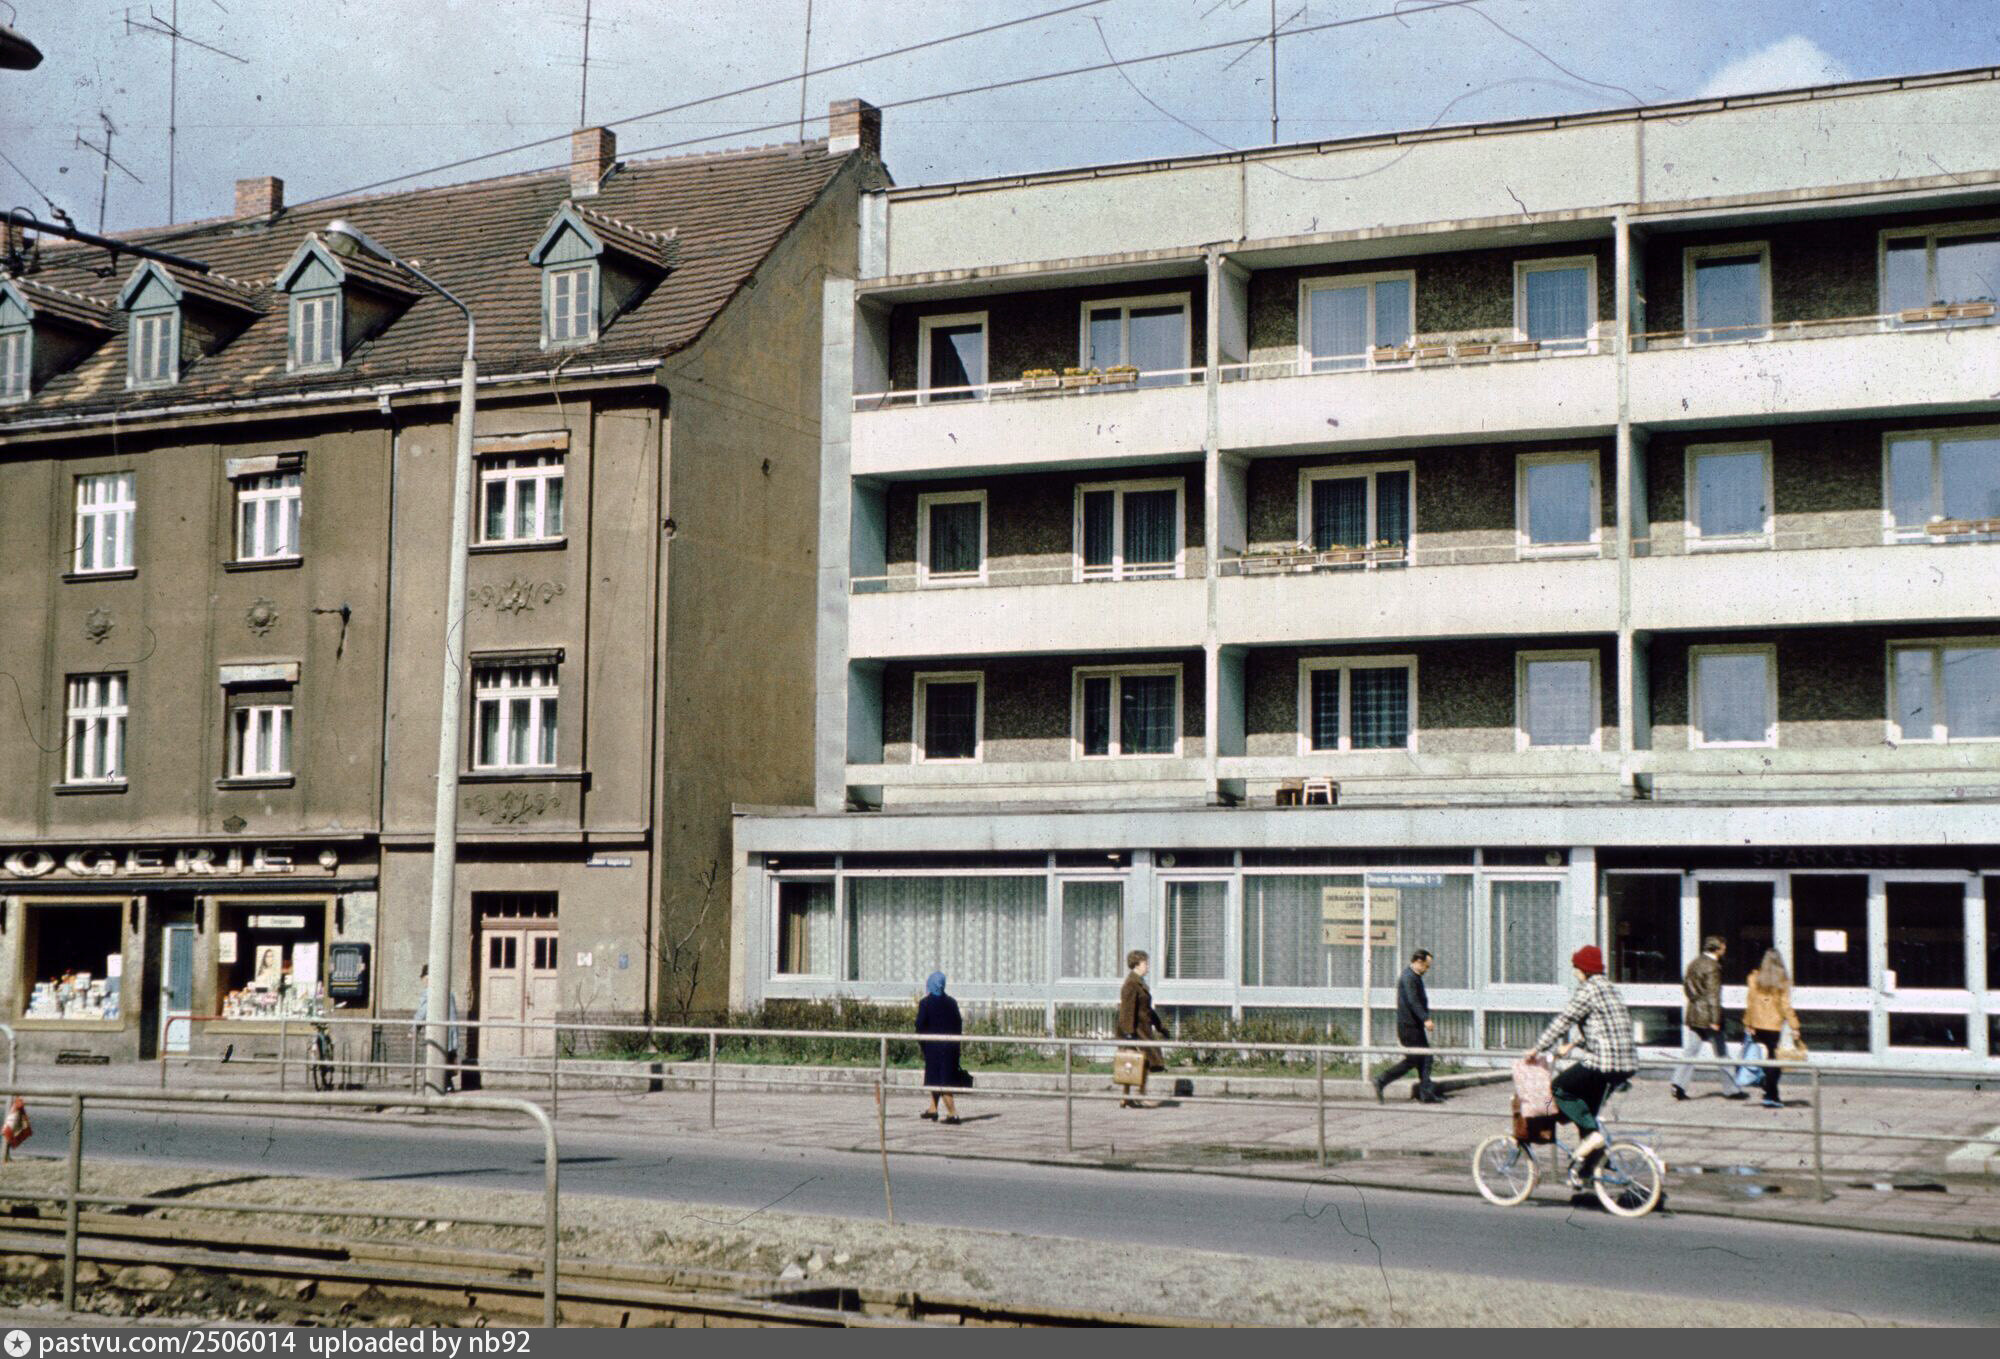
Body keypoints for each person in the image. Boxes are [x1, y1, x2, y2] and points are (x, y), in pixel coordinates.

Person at [1524, 945, 1637, 1191]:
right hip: (1626, 1064)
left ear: (1584, 969)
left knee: (1558, 1089)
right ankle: (1588, 1171)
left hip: (1602, 1063)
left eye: (1576, 968)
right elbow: (1606, 1029)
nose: (1575, 973)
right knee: (1586, 1109)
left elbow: (1564, 1020)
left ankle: (1593, 1137)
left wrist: (1537, 1048)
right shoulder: (1610, 988)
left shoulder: (1587, 989)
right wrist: (1576, 1043)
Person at [1671, 936, 1744, 1101]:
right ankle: (1732, 1089)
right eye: (1723, 946)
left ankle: (1678, 1084)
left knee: (1691, 1050)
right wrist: (1715, 1020)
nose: (1725, 949)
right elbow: (1713, 995)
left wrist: (1697, 1001)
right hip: (1709, 1017)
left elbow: (1688, 988)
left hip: (1694, 1014)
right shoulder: (1713, 967)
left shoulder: (1694, 963)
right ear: (1716, 948)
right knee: (1722, 1053)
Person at [1373, 949, 1442, 1103]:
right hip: (1409, 1027)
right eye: (1426, 966)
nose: (1427, 970)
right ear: (1419, 962)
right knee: (1417, 1059)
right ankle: (1381, 1080)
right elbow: (1413, 1001)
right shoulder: (1409, 977)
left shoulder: (1413, 976)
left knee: (1424, 1058)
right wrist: (1425, 1019)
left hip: (1413, 1026)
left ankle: (1425, 1093)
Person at [1742, 949, 1804, 1109]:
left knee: (1764, 1059)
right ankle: (1771, 1095)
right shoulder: (1782, 981)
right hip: (1774, 1026)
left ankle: (1769, 1091)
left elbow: (1750, 1003)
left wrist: (1748, 1023)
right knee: (1773, 1060)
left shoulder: (1754, 978)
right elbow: (1785, 1006)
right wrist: (1795, 1026)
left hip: (1757, 1025)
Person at [914, 971, 971, 1124]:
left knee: (941, 1081)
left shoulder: (925, 1003)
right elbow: (958, 1025)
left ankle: (953, 1113)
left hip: (933, 1048)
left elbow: (919, 1025)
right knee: (938, 1078)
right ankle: (933, 1109)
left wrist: (923, 1043)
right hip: (950, 1048)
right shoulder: (952, 1002)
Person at [1116, 949, 1170, 1109]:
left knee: (1136, 1062)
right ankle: (1138, 1095)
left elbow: (1147, 1009)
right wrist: (1128, 1034)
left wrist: (1160, 1027)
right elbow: (1127, 1010)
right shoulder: (1131, 984)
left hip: (1142, 1029)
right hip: (1136, 1031)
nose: (1148, 967)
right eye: (1145, 963)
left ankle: (1127, 1096)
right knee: (1139, 1062)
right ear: (1137, 964)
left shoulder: (1138, 982)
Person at [412, 965, 464, 1094]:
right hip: (450, 1031)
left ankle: (436, 1086)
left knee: (435, 1057)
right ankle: (448, 1086)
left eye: (425, 978)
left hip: (437, 1031)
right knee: (446, 1058)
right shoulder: (449, 992)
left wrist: (414, 1028)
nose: (423, 981)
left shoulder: (429, 992)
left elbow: (423, 1012)